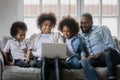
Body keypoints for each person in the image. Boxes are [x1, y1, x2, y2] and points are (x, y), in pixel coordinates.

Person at [80, 13, 120, 80]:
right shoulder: (80, 35)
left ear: (92, 23)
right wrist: (84, 55)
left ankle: (112, 78)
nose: (83, 25)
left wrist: (97, 55)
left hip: (110, 56)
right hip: (97, 60)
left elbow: (112, 46)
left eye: (86, 23)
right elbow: (81, 49)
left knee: (108, 50)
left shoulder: (101, 28)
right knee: (84, 61)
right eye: (81, 23)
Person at [29, 13, 63, 80]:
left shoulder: (57, 35)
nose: (48, 27)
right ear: (41, 25)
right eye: (45, 25)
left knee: (57, 59)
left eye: (50, 25)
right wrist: (42, 54)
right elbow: (30, 52)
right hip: (41, 61)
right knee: (44, 59)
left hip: (54, 61)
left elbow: (61, 48)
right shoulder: (34, 37)